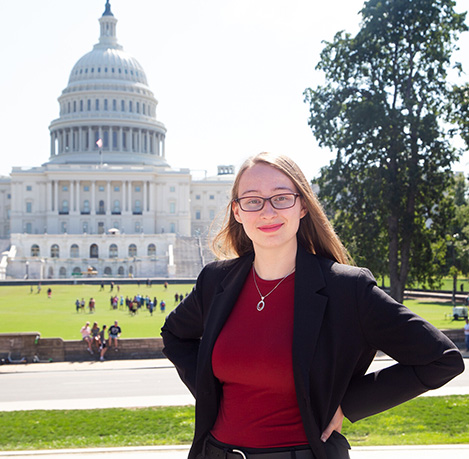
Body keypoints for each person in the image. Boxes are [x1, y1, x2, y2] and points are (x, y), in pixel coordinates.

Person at [161, 152, 464, 459]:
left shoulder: (347, 288)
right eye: (253, 200)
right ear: (237, 211)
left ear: (302, 206)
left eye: (281, 198)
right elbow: (174, 334)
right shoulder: (215, 281)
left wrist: (348, 403)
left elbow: (442, 359)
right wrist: (209, 393)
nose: (267, 212)